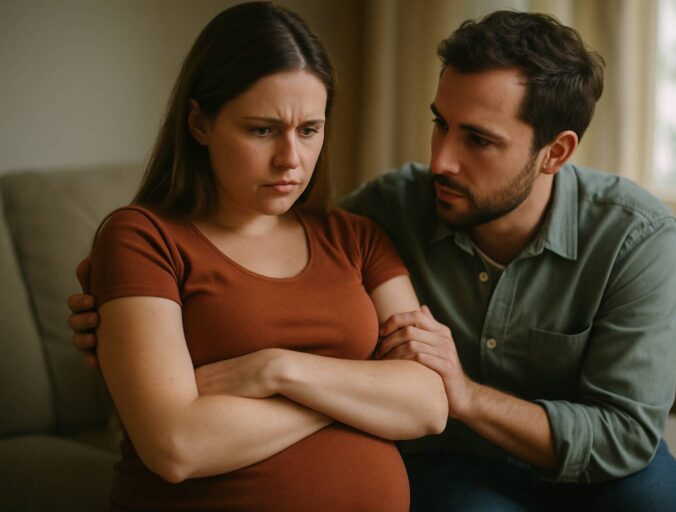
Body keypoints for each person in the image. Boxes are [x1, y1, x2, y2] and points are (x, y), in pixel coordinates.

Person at [70, 8, 676, 512]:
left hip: (591, 463)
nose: (442, 161)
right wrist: (124, 321)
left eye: (479, 140)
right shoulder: (388, 208)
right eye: (441, 124)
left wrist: (280, 370)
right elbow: (183, 425)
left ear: (555, 152)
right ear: (201, 123)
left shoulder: (633, 235)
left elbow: (608, 432)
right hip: (458, 467)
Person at [70, 2, 448, 511]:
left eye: (309, 129)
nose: (291, 159)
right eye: (262, 130)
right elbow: (176, 445)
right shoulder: (142, 237)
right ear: (200, 123)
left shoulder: (356, 238)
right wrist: (354, 398)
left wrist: (274, 370)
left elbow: (428, 404)